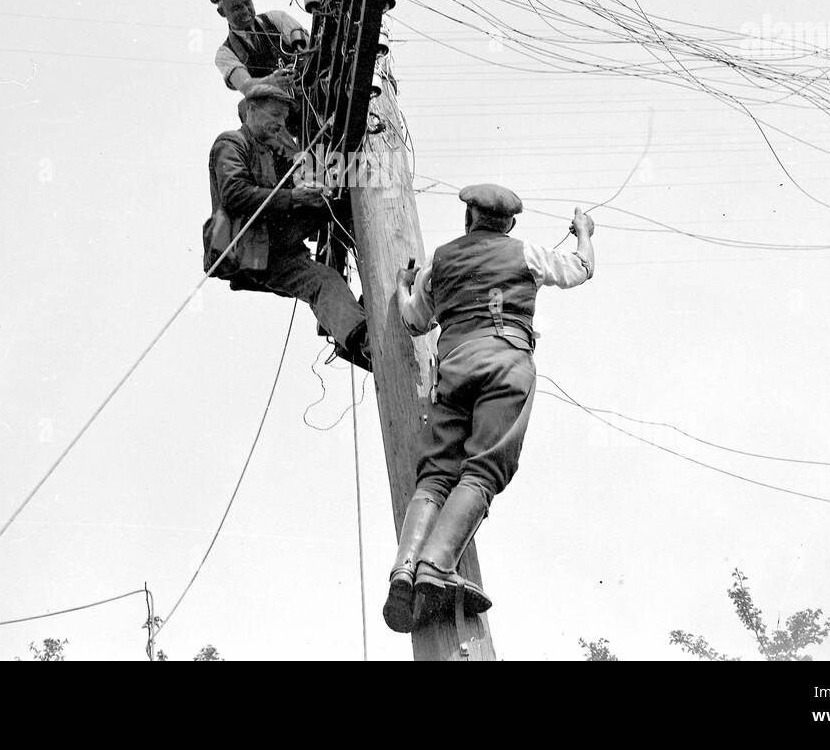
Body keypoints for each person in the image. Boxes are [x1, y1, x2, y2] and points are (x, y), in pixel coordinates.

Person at [383, 183, 596, 632]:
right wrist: (583, 233)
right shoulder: (527, 253)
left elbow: (414, 321)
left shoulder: (440, 261)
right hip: (506, 365)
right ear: (510, 224)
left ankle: (406, 566)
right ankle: (436, 567)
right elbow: (581, 269)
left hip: (455, 368)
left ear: (468, 219)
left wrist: (403, 289)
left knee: (437, 472)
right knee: (483, 470)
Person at [203, 82, 371, 371]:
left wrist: (313, 182)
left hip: (276, 248)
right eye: (275, 115)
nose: (280, 124)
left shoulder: (272, 150)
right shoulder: (230, 143)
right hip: (249, 246)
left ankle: (359, 342)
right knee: (331, 201)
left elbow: (299, 171)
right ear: (252, 110)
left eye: (283, 118)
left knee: (324, 280)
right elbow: (234, 193)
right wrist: (295, 196)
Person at [209, 0, 310, 99]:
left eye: (247, 3)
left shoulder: (277, 18)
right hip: (276, 108)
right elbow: (246, 87)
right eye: (236, 8)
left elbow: (310, 48)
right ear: (222, 12)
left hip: (309, 86)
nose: (246, 11)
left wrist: (298, 68)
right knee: (245, 107)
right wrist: (272, 81)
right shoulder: (225, 54)